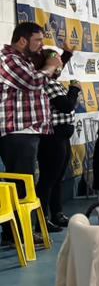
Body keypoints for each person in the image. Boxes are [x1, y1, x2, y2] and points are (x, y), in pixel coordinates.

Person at [0, 22, 64, 177]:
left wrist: (54, 61)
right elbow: (32, 81)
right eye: (38, 40)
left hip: (30, 131)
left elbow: (48, 76)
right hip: (18, 132)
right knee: (22, 182)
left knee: (29, 180)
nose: (42, 44)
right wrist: (50, 66)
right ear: (23, 41)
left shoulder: (26, 61)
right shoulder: (8, 59)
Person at [38, 49, 81, 229]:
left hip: (61, 136)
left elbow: (56, 65)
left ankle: (56, 213)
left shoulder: (51, 80)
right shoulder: (48, 83)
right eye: (56, 61)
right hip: (52, 136)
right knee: (48, 179)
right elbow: (66, 106)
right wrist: (74, 89)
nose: (60, 64)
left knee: (57, 177)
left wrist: (67, 53)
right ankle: (42, 220)